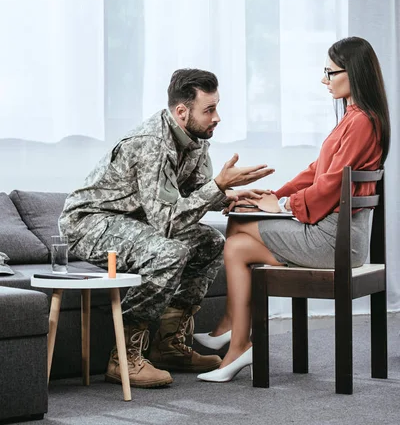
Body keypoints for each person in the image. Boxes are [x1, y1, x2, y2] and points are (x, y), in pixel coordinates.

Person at [59, 68, 273, 388]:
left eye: (217, 107)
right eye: (209, 109)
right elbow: (168, 221)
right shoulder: (152, 143)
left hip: (133, 221)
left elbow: (194, 194)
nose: (217, 117)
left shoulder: (197, 140)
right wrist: (217, 186)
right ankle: (124, 357)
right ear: (181, 111)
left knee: (211, 243)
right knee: (168, 251)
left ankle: (167, 344)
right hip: (89, 222)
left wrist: (229, 196)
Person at [196, 37, 390, 383]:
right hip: (334, 233)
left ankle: (235, 337)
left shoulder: (361, 121)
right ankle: (234, 335)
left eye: (330, 72)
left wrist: (285, 205)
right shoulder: (354, 117)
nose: (324, 79)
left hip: (337, 241)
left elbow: (330, 185)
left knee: (237, 240)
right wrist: (275, 194)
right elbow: (318, 171)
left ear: (354, 73)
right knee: (238, 231)